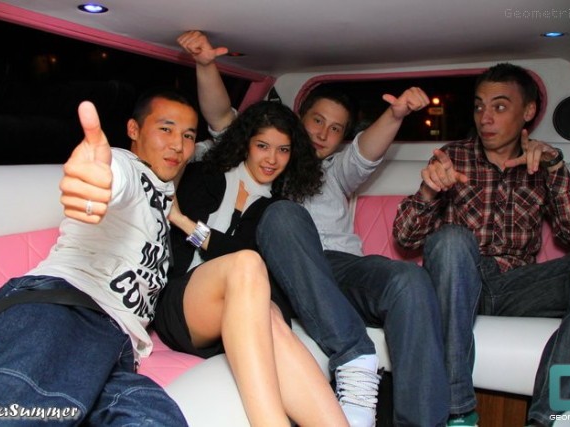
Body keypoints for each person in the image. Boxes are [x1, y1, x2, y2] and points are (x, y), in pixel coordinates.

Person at [177, 30, 449, 427]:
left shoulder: (332, 171)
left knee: (411, 280)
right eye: (317, 121)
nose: (322, 133)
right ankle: (353, 355)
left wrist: (395, 115)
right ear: (297, 119)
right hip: (285, 273)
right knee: (282, 215)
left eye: (335, 129)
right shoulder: (259, 166)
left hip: (340, 266)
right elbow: (223, 121)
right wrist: (206, 66)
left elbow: (367, 151)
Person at [393, 62, 570, 427]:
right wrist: (429, 191)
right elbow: (404, 238)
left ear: (527, 111)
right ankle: (457, 412)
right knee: (451, 239)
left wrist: (556, 171)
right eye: (479, 106)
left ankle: (550, 418)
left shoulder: (545, 164)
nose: (485, 118)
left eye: (499, 106)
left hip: (518, 287)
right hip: (460, 282)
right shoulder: (452, 157)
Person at [0, 89, 198, 425]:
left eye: (188, 135)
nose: (178, 144)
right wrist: (96, 185)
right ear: (133, 130)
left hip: (119, 352)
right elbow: (111, 177)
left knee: (157, 418)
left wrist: (178, 217)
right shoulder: (126, 165)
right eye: (166, 129)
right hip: (66, 307)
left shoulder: (164, 195)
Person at [152, 100, 349, 427]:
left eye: (283, 150)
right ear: (246, 144)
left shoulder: (276, 209)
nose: (272, 159)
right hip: (182, 305)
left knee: (269, 314)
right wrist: (191, 229)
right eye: (262, 146)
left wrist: (188, 225)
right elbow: (237, 255)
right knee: (246, 264)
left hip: (237, 309)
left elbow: (245, 257)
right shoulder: (204, 176)